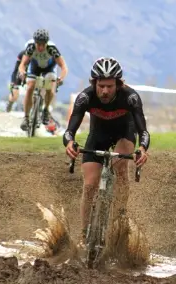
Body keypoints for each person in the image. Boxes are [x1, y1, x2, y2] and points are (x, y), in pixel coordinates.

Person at [63, 57, 150, 248]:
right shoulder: (85, 97)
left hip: (124, 135)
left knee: (120, 167)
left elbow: (143, 131)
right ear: (94, 83)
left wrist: (142, 149)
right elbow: (70, 130)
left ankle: (119, 216)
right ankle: (85, 234)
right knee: (90, 185)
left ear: (118, 85)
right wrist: (70, 143)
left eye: (110, 86)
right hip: (98, 136)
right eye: (101, 86)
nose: (104, 91)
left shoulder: (130, 97)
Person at [18, 29, 68, 131]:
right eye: (38, 44)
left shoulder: (52, 49)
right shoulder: (31, 47)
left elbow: (63, 66)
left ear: (46, 43)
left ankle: (46, 110)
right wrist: (22, 72)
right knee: (30, 87)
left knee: (50, 86)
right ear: (35, 42)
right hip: (34, 68)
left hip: (49, 69)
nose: (40, 47)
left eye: (43, 45)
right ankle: (26, 117)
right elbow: (22, 64)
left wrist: (61, 78)